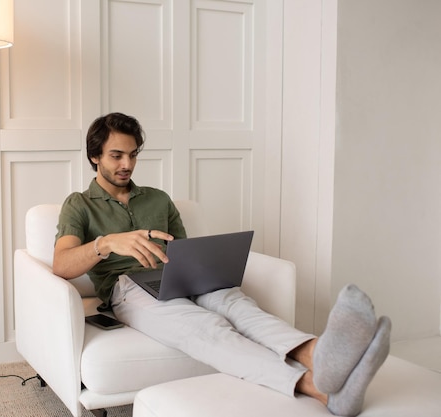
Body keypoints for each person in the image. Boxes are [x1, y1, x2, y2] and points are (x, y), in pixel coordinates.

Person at [52, 112, 391, 417]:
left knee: (240, 307)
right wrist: (107, 242)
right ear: (95, 156)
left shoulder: (158, 198)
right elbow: (62, 265)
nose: (127, 163)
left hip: (181, 275)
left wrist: (205, 268)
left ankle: (320, 353)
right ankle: (319, 390)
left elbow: (185, 249)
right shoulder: (79, 205)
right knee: (207, 329)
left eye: (133, 154)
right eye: (117, 155)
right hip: (128, 289)